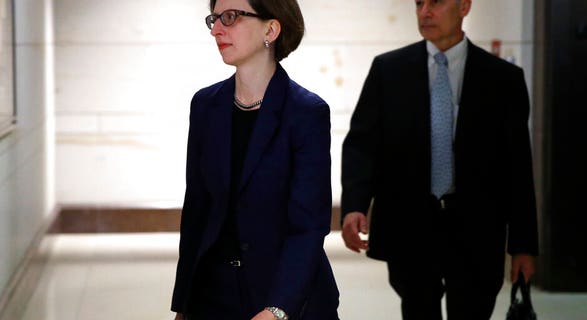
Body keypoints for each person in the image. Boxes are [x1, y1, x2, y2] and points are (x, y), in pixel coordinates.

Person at [340, 0, 539, 319]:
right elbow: (363, 145)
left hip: (477, 229)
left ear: (464, 7)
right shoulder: (389, 70)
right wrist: (354, 204)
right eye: (419, 3)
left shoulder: (503, 79)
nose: (424, 12)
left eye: (436, 2)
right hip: (411, 225)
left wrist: (524, 245)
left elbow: (517, 168)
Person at [170, 0, 340, 319]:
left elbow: (309, 226)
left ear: (271, 29)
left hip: (287, 297)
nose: (217, 29)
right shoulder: (206, 105)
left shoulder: (306, 113)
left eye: (231, 17)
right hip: (213, 297)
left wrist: (277, 309)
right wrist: (183, 303)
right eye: (215, 19)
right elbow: (197, 211)